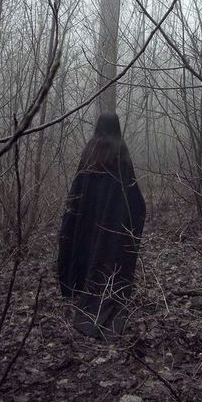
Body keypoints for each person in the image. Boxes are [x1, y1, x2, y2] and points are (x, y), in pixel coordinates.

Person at [57, 113, 146, 338]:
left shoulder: (90, 152)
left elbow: (76, 191)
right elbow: (132, 196)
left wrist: (73, 219)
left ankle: (81, 290)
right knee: (104, 255)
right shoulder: (120, 152)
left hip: (86, 223)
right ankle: (101, 297)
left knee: (87, 250)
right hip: (111, 224)